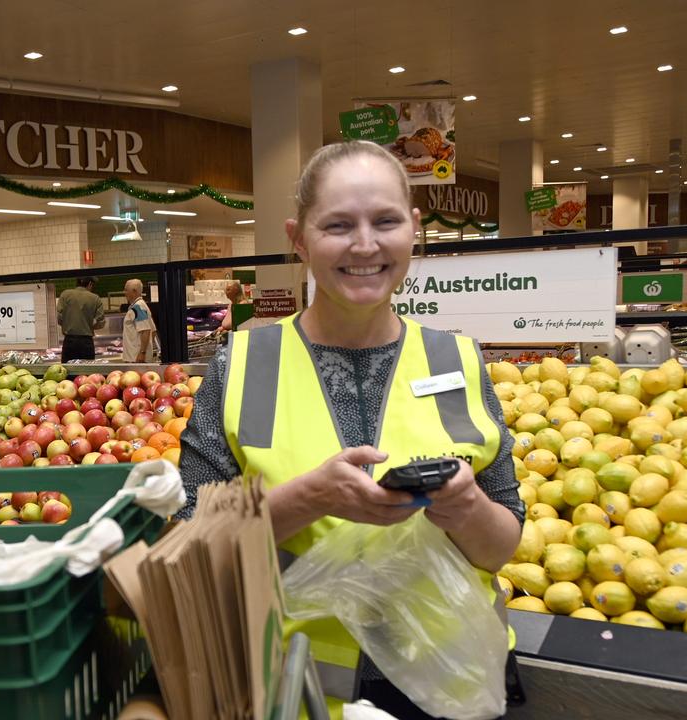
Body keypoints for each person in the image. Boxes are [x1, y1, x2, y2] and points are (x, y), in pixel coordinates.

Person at [177, 141, 524, 718]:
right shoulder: (242, 364)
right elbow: (189, 544)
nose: (365, 245)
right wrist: (307, 499)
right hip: (295, 689)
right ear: (298, 236)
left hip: (453, 686)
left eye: (385, 221)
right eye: (338, 225)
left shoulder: (457, 360)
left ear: (414, 229)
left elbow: (501, 545)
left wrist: (465, 507)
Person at [57, 276, 105, 361]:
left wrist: (68, 323)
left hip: (69, 341)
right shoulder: (95, 298)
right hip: (86, 343)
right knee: (86, 371)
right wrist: (88, 325)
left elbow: (59, 318)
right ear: (90, 284)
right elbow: (100, 322)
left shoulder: (65, 294)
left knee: (68, 371)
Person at [121, 278, 158, 363]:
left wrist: (142, 353)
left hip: (136, 358)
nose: (124, 293)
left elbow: (146, 330)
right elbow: (153, 331)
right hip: (137, 358)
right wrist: (148, 349)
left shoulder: (138, 308)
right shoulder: (142, 305)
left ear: (134, 291)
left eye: (126, 290)